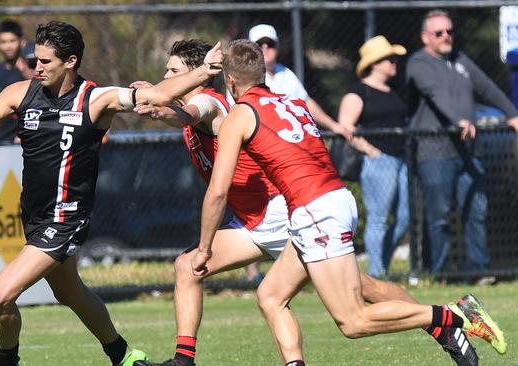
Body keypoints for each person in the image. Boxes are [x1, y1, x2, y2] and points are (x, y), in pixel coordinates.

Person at [0, 21, 223, 366]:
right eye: (36, 59)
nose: (37, 68)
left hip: (66, 218)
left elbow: (157, 96)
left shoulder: (96, 100)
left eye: (46, 62)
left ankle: (8, 362)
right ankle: (124, 355)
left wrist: (204, 73)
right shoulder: (19, 93)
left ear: (71, 61)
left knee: (0, 295)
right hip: (33, 215)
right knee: (69, 291)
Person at [132, 39, 477, 366]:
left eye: (173, 71)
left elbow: (190, 113)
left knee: (361, 295)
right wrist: (159, 103)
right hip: (252, 224)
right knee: (192, 268)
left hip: (282, 214)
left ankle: (443, 323)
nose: (166, 78)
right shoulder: (212, 103)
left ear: (199, 74)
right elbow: (175, 109)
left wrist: (161, 104)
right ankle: (184, 359)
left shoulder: (212, 102)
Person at [406, 10, 518, 277]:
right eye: (439, 33)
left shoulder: (460, 60)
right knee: (440, 215)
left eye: (449, 31)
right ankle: (441, 273)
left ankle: (479, 271)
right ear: (425, 38)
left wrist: (512, 114)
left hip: (469, 150)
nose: (447, 37)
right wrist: (459, 120)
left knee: (476, 211)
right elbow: (435, 94)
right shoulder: (418, 64)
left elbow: (488, 88)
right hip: (435, 152)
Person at [239, 24, 351, 282]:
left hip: (296, 173)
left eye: (270, 44)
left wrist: (335, 125)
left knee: (353, 318)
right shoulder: (243, 82)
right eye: (260, 45)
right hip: (264, 161)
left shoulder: (285, 75)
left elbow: (306, 103)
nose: (266, 50)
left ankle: (442, 314)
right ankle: (258, 272)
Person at [337, 35, 409, 278]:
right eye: (389, 58)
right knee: (378, 219)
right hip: (379, 162)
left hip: (401, 159)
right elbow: (345, 126)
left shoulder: (393, 90)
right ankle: (378, 274)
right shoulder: (358, 93)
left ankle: (382, 267)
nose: (394, 62)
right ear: (375, 63)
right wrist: (371, 151)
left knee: (405, 218)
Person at [0, 19, 35, 144]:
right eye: (3, 42)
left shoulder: (29, 70)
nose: (8, 46)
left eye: (12, 41)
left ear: (22, 42)